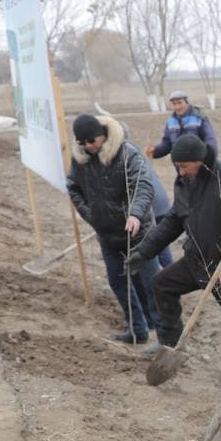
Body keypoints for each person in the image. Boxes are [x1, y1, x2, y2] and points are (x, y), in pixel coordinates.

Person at [127, 134, 221, 393]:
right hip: (197, 261)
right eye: (177, 167)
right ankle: (170, 344)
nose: (180, 172)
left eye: (184, 166)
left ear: (200, 160)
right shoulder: (184, 182)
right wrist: (143, 252)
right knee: (162, 284)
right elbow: (173, 220)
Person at [66, 113, 160, 344]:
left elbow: (144, 186)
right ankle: (137, 330)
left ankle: (164, 337)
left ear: (103, 135)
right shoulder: (81, 161)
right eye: (83, 143)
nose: (88, 146)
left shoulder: (128, 154)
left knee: (153, 285)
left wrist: (135, 213)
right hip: (107, 235)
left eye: (92, 141)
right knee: (118, 282)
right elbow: (73, 188)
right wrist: (92, 216)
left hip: (139, 233)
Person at [144, 90, 219, 162]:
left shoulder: (199, 118)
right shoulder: (170, 122)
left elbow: (210, 140)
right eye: (174, 104)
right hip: (181, 167)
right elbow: (167, 144)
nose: (177, 107)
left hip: (199, 164)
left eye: (180, 103)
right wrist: (154, 151)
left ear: (186, 102)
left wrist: (210, 157)